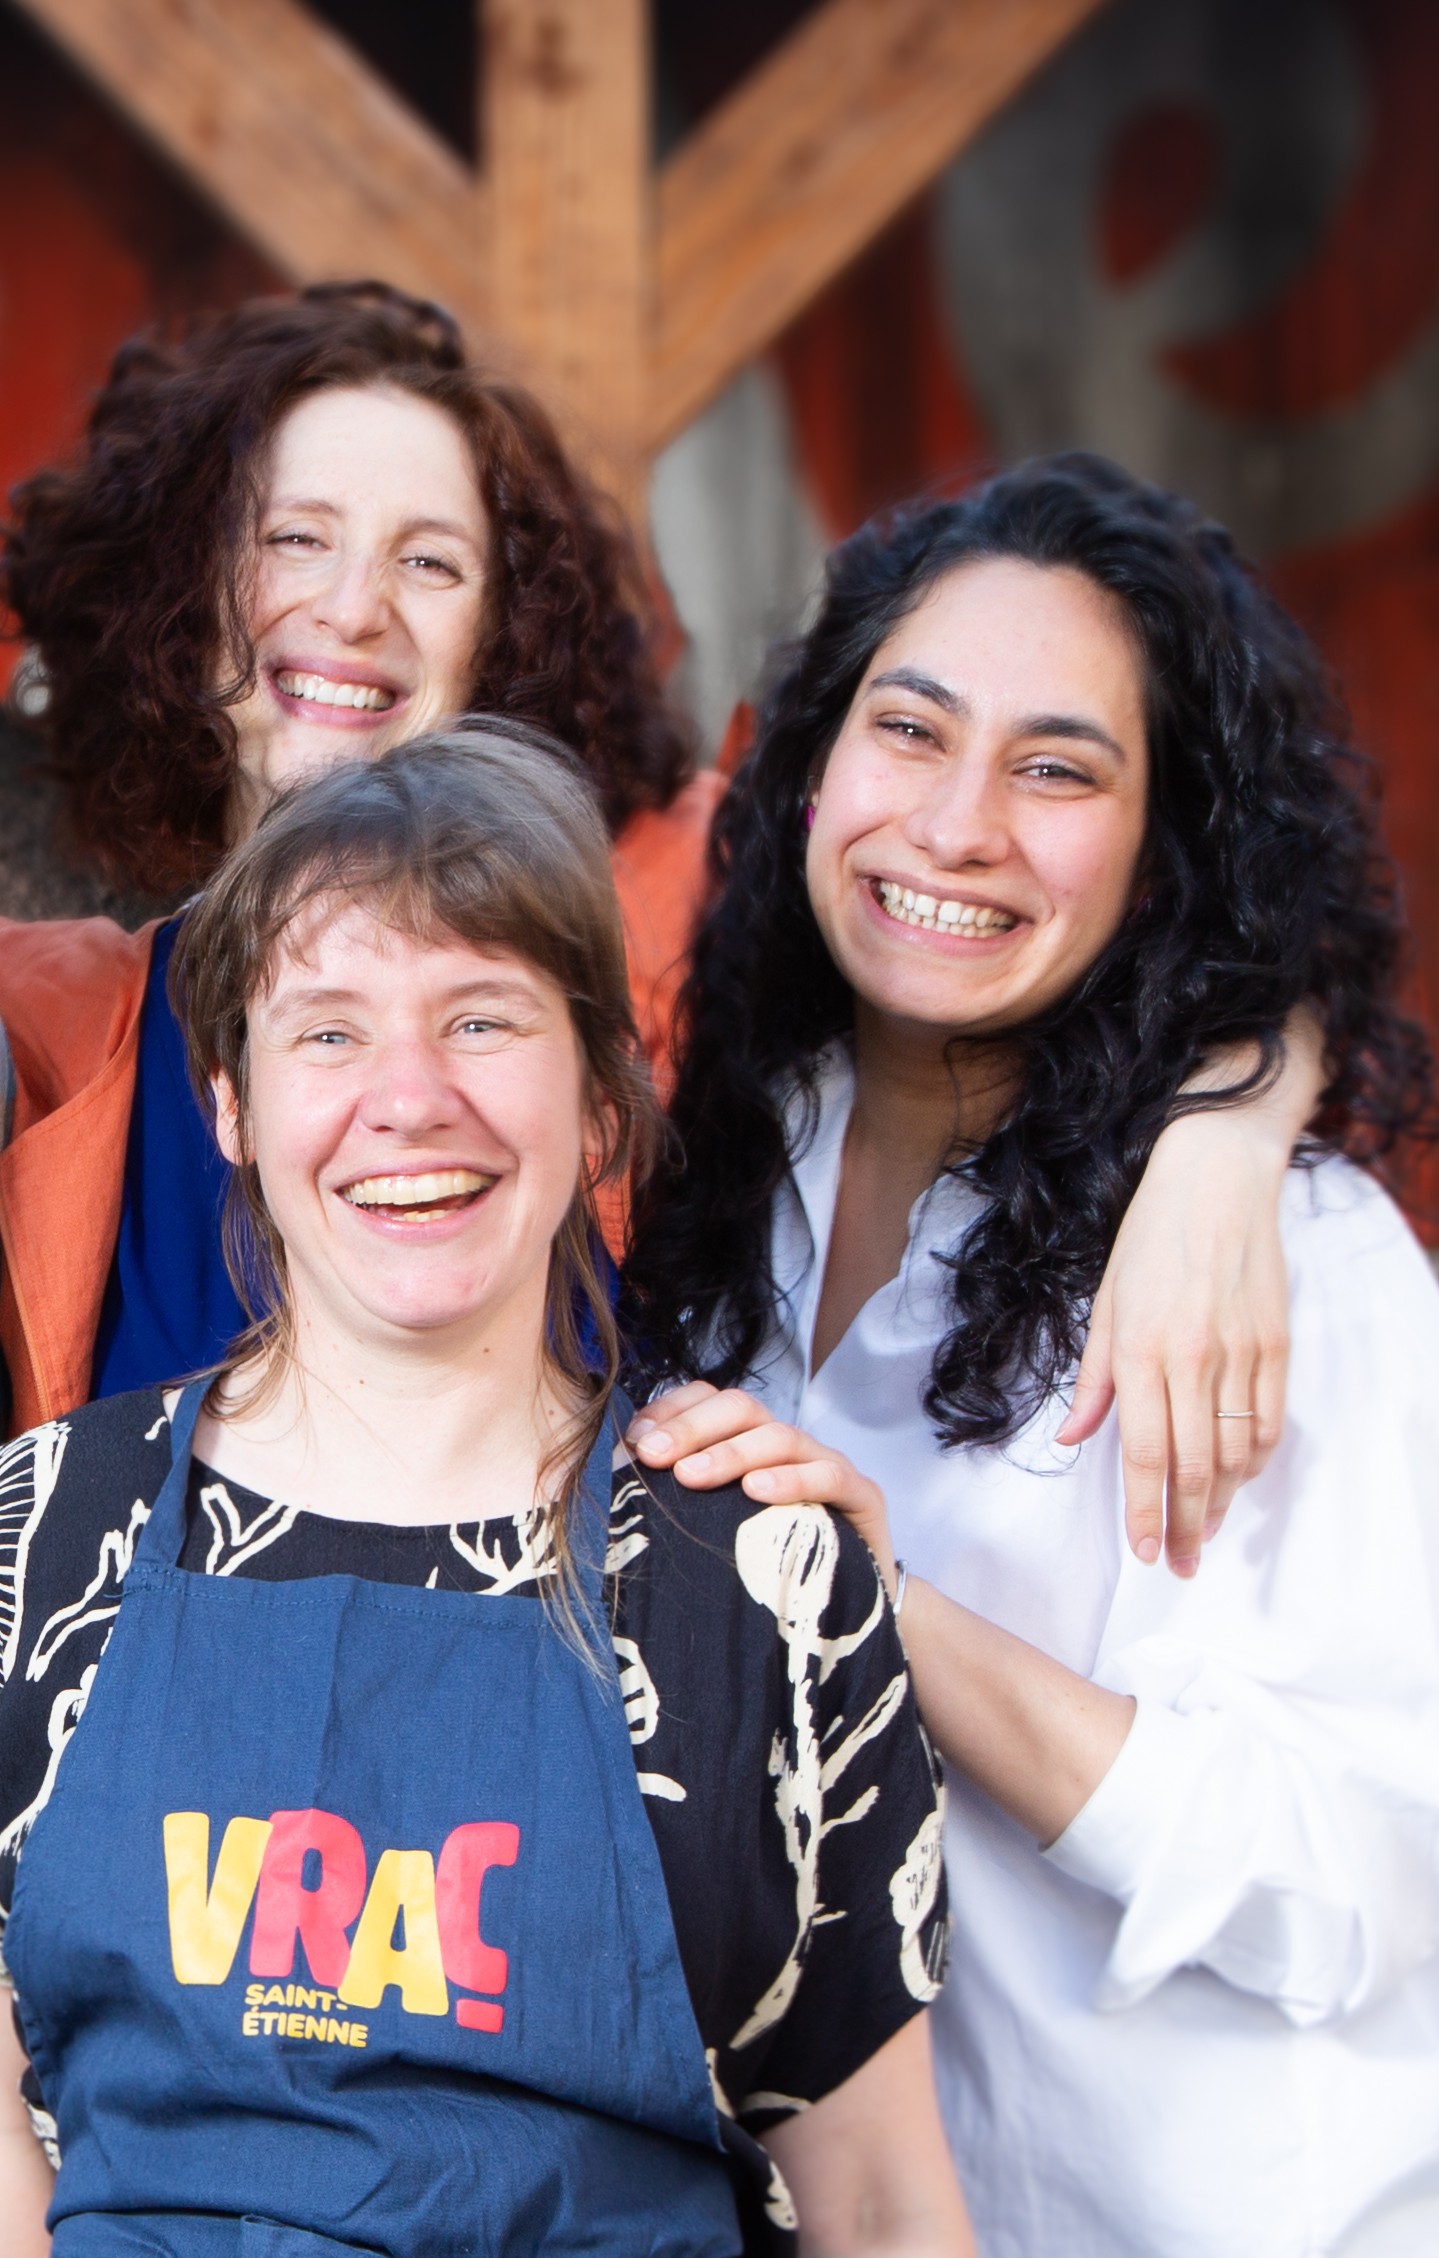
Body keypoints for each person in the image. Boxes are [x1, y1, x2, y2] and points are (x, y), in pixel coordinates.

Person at [0, 724, 970, 2258]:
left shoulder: (759, 1593)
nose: (408, 1097)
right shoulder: (41, 1532)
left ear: (598, 1101)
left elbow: (880, 2204)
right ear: (233, 1105)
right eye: (328, 1031)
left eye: (479, 1019)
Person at [624, 454, 1439, 2256]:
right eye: (908, 729)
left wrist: (874, 1610)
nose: (955, 822)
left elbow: (1361, 1882)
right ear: (811, 761)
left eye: (1055, 768)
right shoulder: (724, 1169)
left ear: (1164, 848)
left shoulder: (1292, 1258)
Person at [0, 278, 718, 1434]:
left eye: (428, 562)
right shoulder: (54, 1027)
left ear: (501, 632)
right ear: (186, 586)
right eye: (296, 538)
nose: (353, 609)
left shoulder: (679, 931)